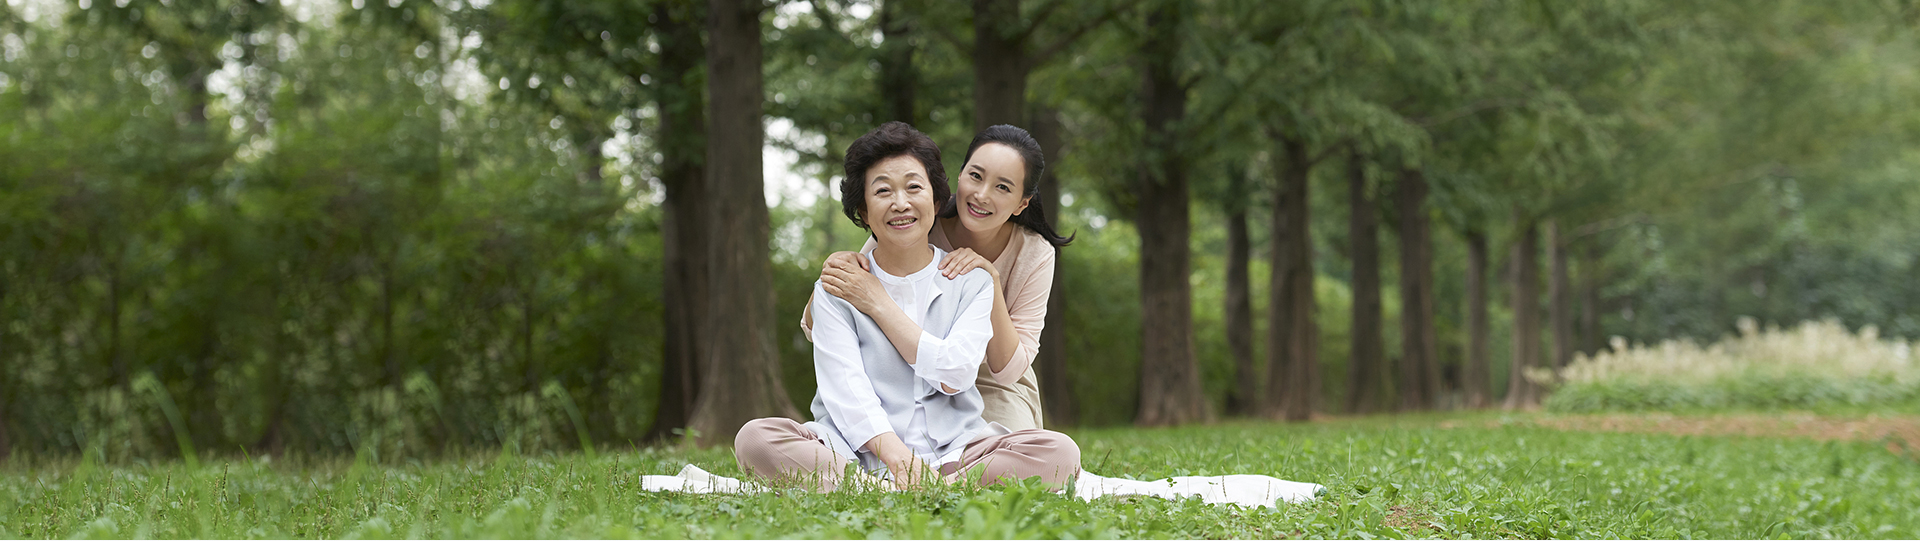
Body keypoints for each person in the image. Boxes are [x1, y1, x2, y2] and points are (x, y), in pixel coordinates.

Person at [735, 122, 1080, 492]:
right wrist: (898, 457)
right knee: (755, 438)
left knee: (1058, 451)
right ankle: (895, 482)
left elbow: (979, 372)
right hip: (857, 448)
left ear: (934, 199)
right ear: (864, 213)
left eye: (1003, 187)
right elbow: (844, 384)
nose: (900, 203)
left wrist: (986, 283)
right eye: (883, 192)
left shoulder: (982, 277)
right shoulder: (851, 280)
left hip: (969, 419)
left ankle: (900, 486)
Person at [802, 124, 1071, 431]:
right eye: (976, 176)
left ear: (1022, 202)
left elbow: (1007, 371)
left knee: (1027, 458)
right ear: (959, 175)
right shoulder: (915, 220)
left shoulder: (1034, 253)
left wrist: (991, 279)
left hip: (989, 381)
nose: (982, 195)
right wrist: (832, 276)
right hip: (906, 366)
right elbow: (822, 320)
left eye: (1003, 187)